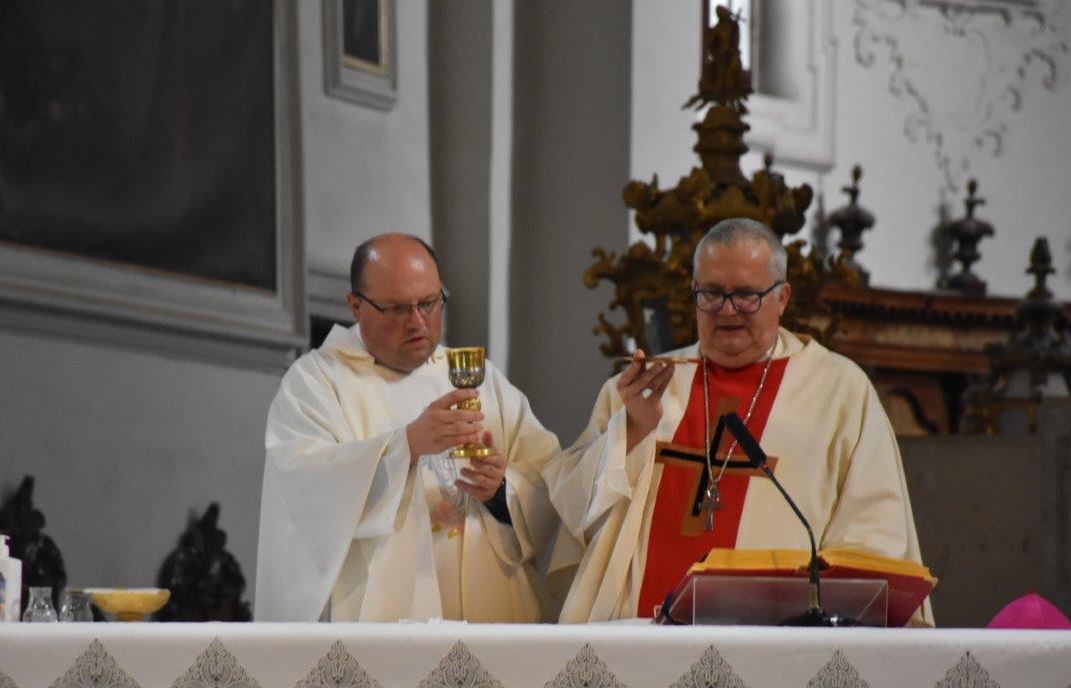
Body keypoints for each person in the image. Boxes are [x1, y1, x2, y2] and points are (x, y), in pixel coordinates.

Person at [545, 218, 933, 625]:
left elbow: (872, 535)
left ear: (782, 298)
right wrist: (631, 432)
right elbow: (575, 515)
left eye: (746, 295)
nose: (727, 310)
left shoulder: (841, 392)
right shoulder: (644, 388)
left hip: (779, 644)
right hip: (640, 635)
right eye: (711, 293)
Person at [255, 233, 560, 622]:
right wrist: (406, 447)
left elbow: (550, 478)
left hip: (492, 615)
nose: (417, 322)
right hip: (386, 622)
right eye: (397, 309)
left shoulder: (480, 379)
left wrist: (500, 490)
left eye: (429, 303)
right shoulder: (317, 383)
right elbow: (305, 491)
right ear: (356, 306)